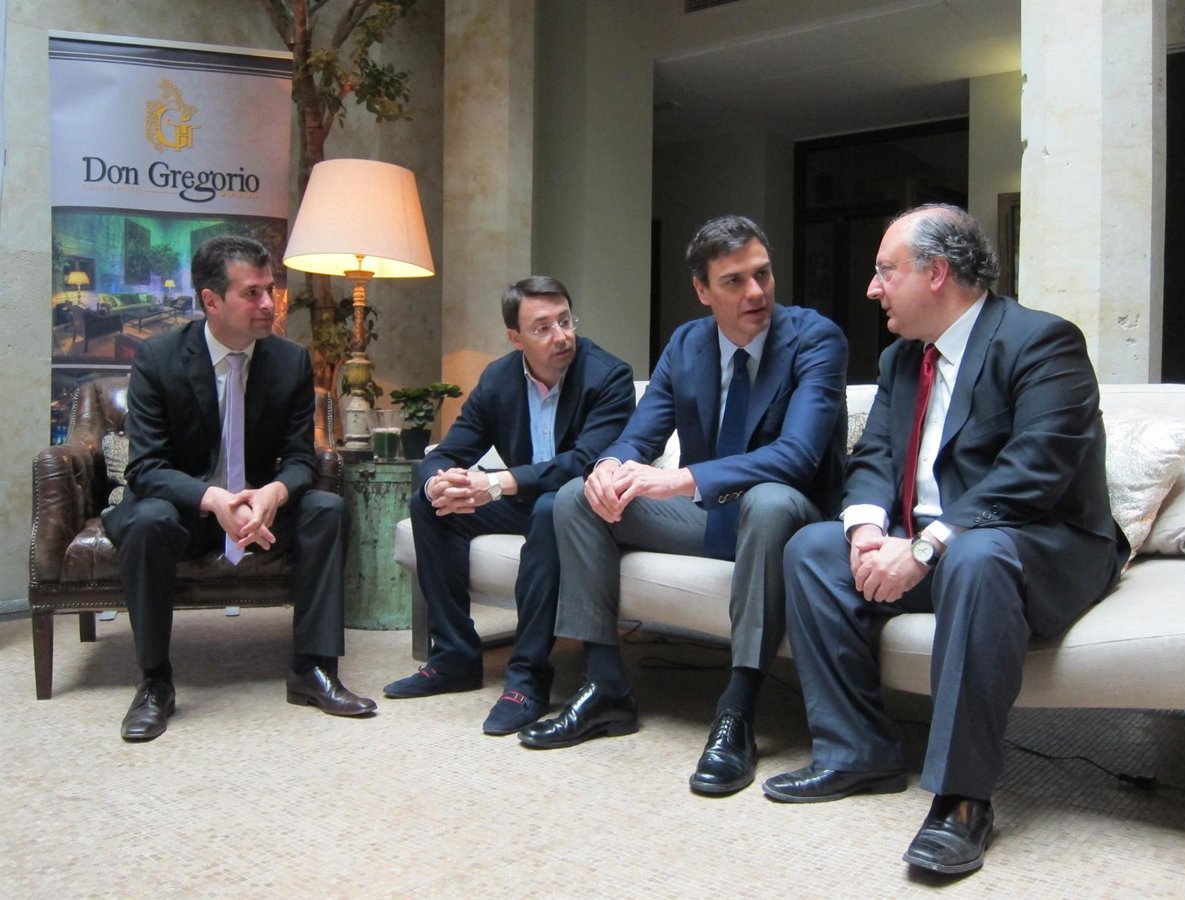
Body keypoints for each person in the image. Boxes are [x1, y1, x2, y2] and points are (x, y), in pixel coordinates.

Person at [765, 204, 1129, 875]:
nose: (872, 288)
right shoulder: (903, 359)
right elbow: (875, 455)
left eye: (886, 271)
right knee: (812, 550)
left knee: (976, 555)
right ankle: (857, 751)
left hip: (1036, 544)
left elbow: (1036, 470)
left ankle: (962, 799)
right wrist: (867, 530)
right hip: (937, 546)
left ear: (936, 273)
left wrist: (926, 546)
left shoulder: (1042, 342)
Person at [520, 215, 849, 799]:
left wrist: (681, 480)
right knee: (576, 497)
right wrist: (610, 467)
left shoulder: (815, 338)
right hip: (710, 517)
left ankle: (737, 710)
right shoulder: (687, 343)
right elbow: (640, 436)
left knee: (769, 502)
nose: (755, 292)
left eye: (762, 274)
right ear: (702, 290)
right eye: (734, 281)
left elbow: (798, 456)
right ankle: (605, 687)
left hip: (790, 520)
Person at [103, 236, 377, 742]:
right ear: (211, 300)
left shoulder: (290, 361)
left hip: (259, 514)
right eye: (253, 293)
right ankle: (155, 682)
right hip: (184, 510)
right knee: (147, 520)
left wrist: (274, 493)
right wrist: (212, 498)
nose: (269, 304)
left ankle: (314, 669)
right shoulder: (159, 359)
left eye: (270, 290)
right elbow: (146, 467)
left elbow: (301, 458)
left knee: (326, 508)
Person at [382, 276, 635, 736]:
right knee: (430, 505)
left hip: (580, 508)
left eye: (565, 321)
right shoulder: (498, 379)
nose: (560, 335)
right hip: (522, 499)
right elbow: (449, 450)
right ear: (516, 338)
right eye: (542, 327)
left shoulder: (608, 376)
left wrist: (496, 483)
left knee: (550, 508)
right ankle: (454, 657)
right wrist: (440, 482)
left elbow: (583, 463)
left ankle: (527, 679)